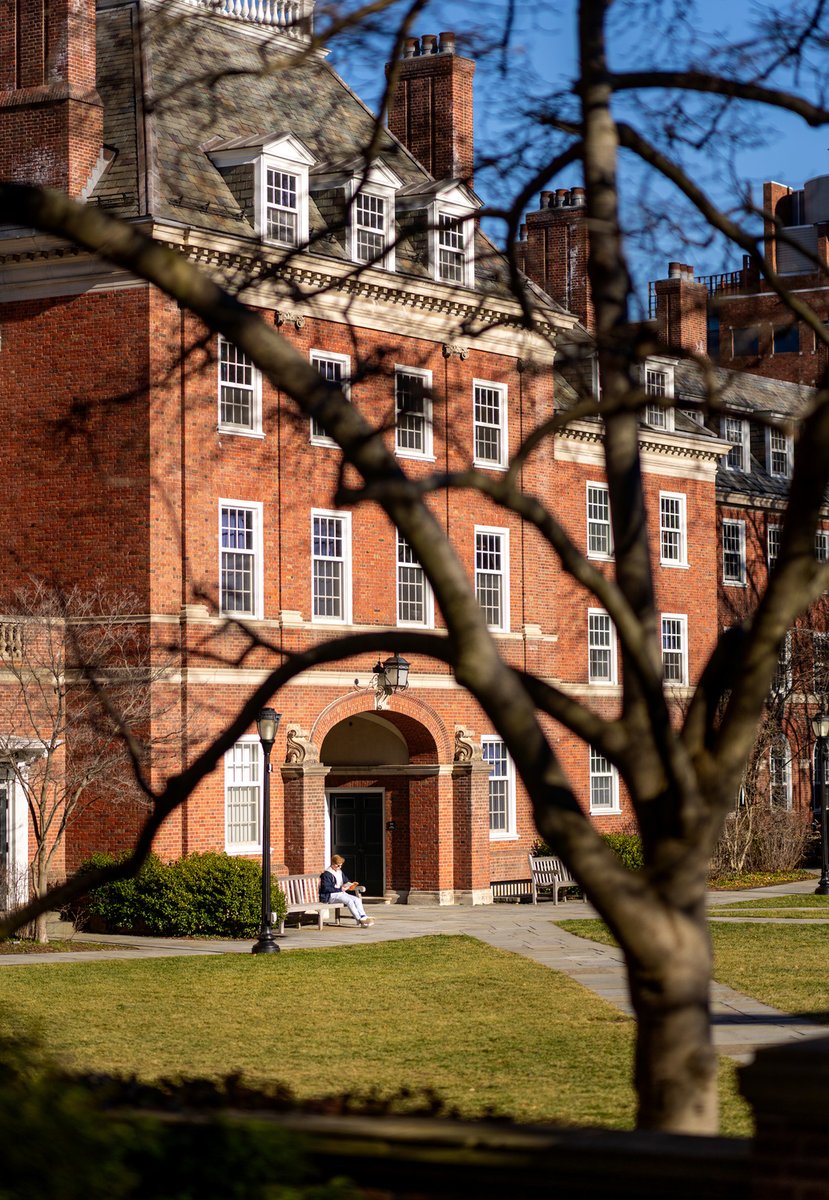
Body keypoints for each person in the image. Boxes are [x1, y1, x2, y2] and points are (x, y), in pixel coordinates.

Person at [319, 855, 375, 927]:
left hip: (341, 893)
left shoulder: (339, 872)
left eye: (341, 866)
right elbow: (326, 888)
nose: (339, 867)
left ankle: (363, 916)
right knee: (349, 901)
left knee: (357, 899)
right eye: (338, 865)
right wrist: (340, 889)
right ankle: (360, 920)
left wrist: (350, 884)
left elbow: (346, 880)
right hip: (330, 895)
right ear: (333, 863)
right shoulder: (326, 874)